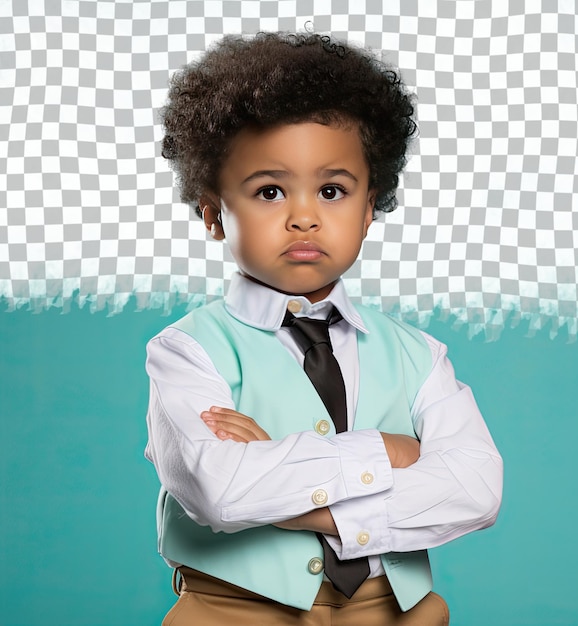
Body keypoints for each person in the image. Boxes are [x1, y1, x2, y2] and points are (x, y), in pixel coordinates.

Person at [145, 31, 503, 626]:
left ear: (369, 209)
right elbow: (219, 491)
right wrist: (389, 453)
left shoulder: (420, 355)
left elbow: (475, 490)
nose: (305, 215)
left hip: (392, 610)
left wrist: (296, 500)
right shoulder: (187, 351)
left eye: (332, 190)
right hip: (234, 611)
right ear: (213, 214)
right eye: (270, 191)